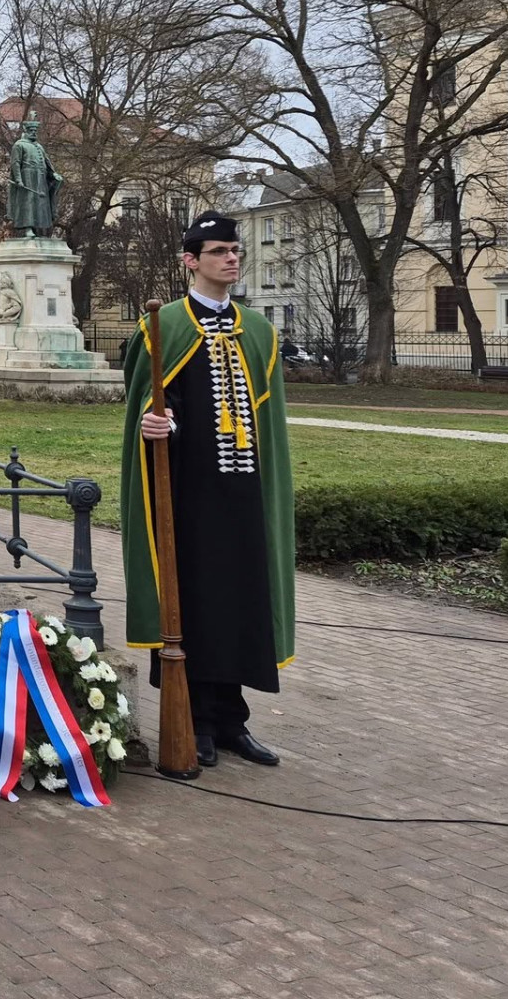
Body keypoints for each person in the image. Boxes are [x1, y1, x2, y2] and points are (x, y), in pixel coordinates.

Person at [120, 210, 295, 769]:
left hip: (244, 494)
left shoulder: (259, 331)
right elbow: (143, 401)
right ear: (190, 261)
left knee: (240, 599)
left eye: (234, 250)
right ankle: (193, 720)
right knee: (193, 599)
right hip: (187, 493)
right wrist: (155, 427)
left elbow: (268, 421)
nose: (232, 258)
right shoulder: (163, 326)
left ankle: (231, 721)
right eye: (219, 251)